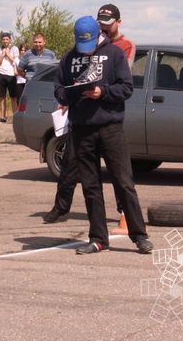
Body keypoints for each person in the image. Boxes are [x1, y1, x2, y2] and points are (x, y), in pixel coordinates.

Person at [53, 16, 152, 255]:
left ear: (98, 33)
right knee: (90, 186)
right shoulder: (68, 57)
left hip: (110, 128)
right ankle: (98, 238)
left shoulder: (115, 55)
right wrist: (69, 96)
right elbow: (58, 89)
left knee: (124, 183)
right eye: (81, 45)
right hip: (82, 129)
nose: (84, 51)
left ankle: (139, 236)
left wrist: (103, 91)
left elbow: (126, 88)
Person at [0, 32, 19, 123]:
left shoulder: (14, 48)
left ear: (10, 40)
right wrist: (2, 55)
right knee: (2, 97)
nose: (5, 41)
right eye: (3, 39)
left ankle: (15, 117)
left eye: (7, 39)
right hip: (1, 74)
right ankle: (3, 117)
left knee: (13, 97)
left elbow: (16, 61)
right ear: (1, 40)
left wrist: (8, 54)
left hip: (12, 75)